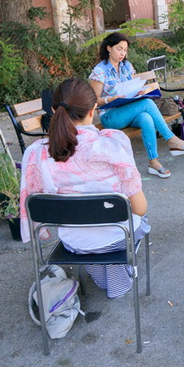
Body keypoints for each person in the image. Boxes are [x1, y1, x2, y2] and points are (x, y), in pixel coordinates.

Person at [19, 79, 149, 298]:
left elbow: (33, 211)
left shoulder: (35, 154)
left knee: (94, 225)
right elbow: (140, 208)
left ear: (53, 110)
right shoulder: (112, 144)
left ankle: (101, 269)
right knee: (139, 220)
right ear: (93, 110)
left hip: (74, 243)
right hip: (117, 237)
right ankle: (117, 274)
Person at [89, 32, 184, 179]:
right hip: (111, 116)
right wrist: (111, 98)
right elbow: (94, 100)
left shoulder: (126, 66)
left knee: (146, 118)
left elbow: (130, 86)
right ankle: (171, 140)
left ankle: (154, 162)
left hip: (130, 109)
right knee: (146, 103)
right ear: (109, 48)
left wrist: (139, 91)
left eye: (125, 50)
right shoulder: (100, 70)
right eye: (119, 49)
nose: (122, 53)